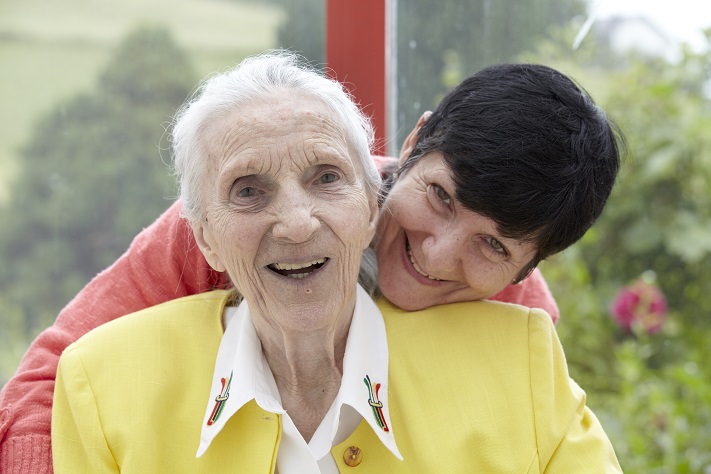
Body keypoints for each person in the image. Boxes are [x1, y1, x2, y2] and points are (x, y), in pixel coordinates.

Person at [0, 56, 623, 471]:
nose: (437, 252)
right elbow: (49, 377)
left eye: (493, 246)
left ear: (527, 266)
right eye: (439, 197)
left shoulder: (519, 325)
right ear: (411, 145)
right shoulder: (211, 230)